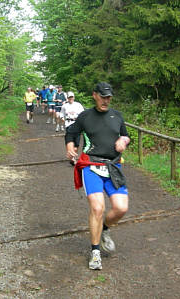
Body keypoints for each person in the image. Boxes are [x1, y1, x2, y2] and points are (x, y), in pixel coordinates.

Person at [65, 82, 130, 270]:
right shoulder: (85, 116)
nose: (106, 101)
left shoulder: (116, 116)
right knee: (97, 208)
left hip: (113, 166)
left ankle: (105, 230)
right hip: (91, 165)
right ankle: (95, 253)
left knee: (121, 208)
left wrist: (123, 141)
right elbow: (71, 133)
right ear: (95, 95)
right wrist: (70, 147)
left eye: (109, 97)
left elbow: (126, 136)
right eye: (103, 97)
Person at [60, 91, 84, 159]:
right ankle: (72, 158)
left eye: (72, 97)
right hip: (68, 124)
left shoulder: (78, 105)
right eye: (69, 97)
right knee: (70, 140)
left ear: (74, 97)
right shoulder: (65, 106)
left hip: (77, 124)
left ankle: (74, 155)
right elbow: (61, 113)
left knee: (76, 143)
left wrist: (80, 118)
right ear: (67, 98)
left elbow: (83, 113)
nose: (71, 98)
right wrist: (62, 118)